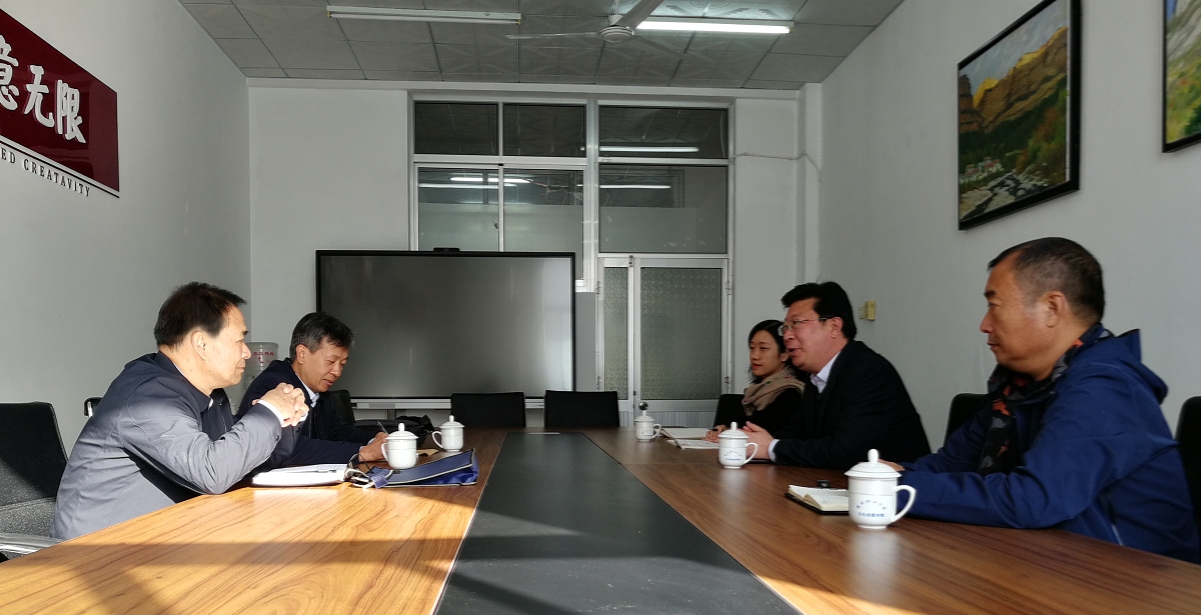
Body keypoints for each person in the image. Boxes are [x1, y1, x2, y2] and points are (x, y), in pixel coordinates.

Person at [892, 238, 1199, 563]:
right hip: (1045, 561)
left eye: (994, 306)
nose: (984, 325)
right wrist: (881, 477)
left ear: (1052, 308)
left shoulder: (1105, 386)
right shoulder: (1018, 387)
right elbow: (948, 464)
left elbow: (1034, 499)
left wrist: (896, 489)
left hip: (1132, 578)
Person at [52, 283, 318, 540]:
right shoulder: (147, 397)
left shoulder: (209, 394)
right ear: (201, 343)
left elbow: (239, 466)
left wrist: (284, 418)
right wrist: (270, 411)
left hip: (166, 539)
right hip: (94, 555)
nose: (247, 352)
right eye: (239, 340)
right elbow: (212, 473)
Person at [743, 281, 930, 470]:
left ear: (834, 326)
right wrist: (750, 443)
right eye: (785, 327)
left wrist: (771, 448)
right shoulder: (816, 377)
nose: (787, 336)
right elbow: (796, 433)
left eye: (796, 323)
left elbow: (844, 452)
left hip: (899, 486)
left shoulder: (870, 373)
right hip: (836, 482)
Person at [240, 312, 385, 467]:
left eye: (342, 364)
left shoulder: (318, 391)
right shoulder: (276, 387)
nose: (337, 372)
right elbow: (287, 450)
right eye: (331, 361)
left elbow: (338, 431)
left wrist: (378, 440)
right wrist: (362, 452)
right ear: (302, 354)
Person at [706, 319, 803, 439]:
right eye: (752, 348)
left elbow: (772, 438)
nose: (754, 355)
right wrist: (725, 431)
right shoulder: (756, 392)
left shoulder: (791, 394)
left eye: (763, 348)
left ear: (784, 354)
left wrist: (734, 436)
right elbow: (746, 429)